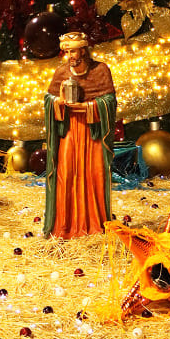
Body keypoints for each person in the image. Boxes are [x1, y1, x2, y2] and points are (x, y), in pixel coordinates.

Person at [42, 32, 116, 240]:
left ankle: (93, 224)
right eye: (67, 52)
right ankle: (65, 225)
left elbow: (109, 100)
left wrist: (90, 107)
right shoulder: (61, 72)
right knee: (66, 173)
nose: (69, 56)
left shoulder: (100, 71)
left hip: (91, 132)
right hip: (69, 131)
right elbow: (50, 98)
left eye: (73, 51)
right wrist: (59, 102)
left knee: (94, 174)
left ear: (83, 50)